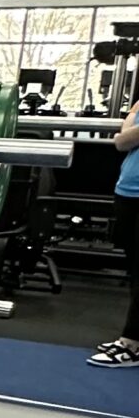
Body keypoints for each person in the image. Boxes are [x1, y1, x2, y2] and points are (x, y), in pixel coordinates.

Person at [89, 96, 139, 367]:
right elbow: (121, 141)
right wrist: (128, 136)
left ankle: (131, 343)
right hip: (128, 191)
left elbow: (127, 137)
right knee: (134, 270)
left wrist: (129, 136)